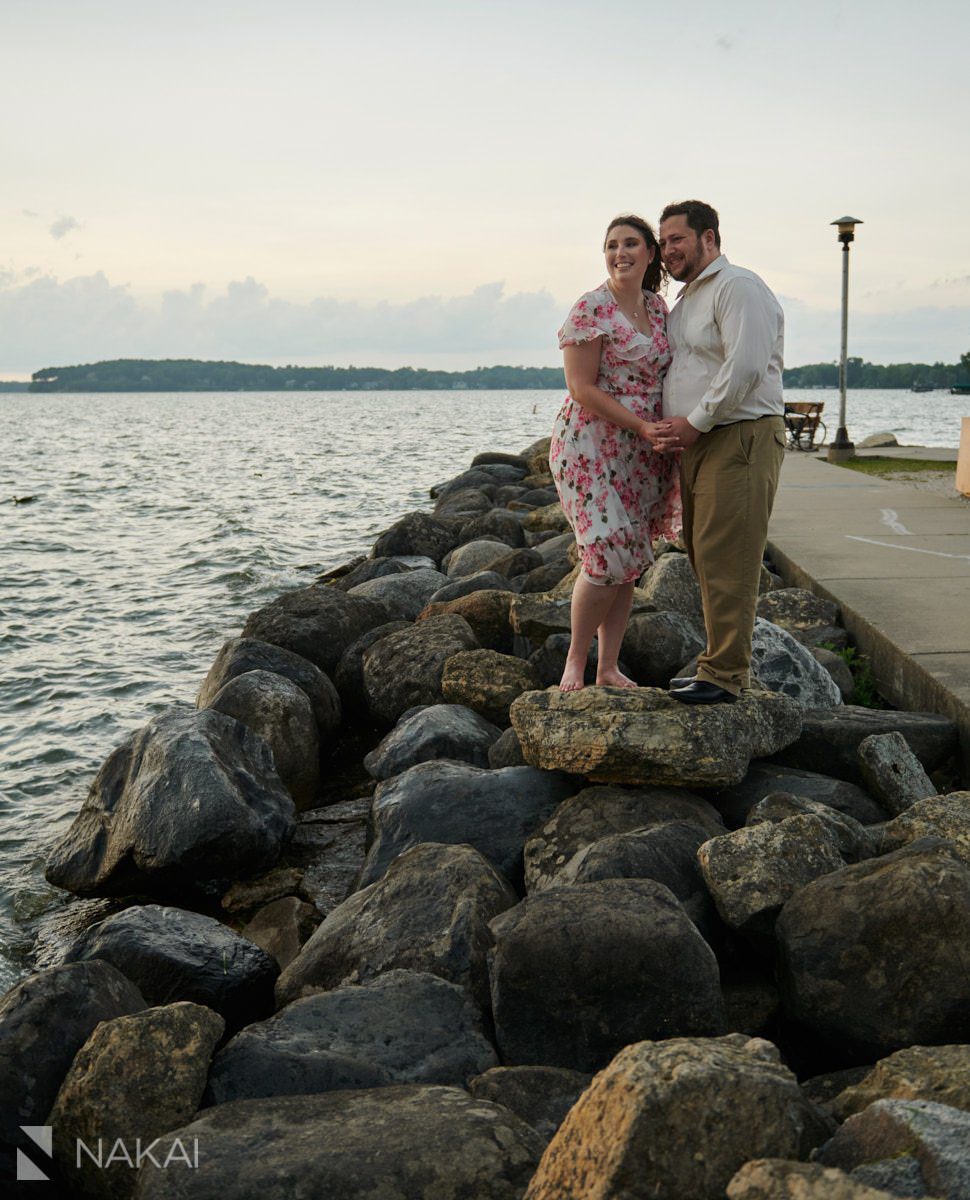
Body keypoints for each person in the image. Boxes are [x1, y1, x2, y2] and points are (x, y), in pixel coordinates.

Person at [654, 199, 786, 704]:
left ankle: (726, 675)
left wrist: (695, 422)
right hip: (702, 440)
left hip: (741, 434)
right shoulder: (688, 301)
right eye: (664, 243)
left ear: (709, 238)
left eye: (677, 239)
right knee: (704, 550)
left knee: (729, 554)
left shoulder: (738, 287)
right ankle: (718, 665)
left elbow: (746, 365)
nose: (668, 251)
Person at [550, 214, 681, 692]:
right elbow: (580, 388)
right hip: (590, 449)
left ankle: (608, 667)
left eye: (630, 244)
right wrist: (643, 426)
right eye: (611, 245)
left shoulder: (659, 307)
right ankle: (574, 663)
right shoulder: (590, 309)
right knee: (605, 555)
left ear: (651, 253)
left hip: (643, 454)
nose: (619, 252)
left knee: (628, 565)